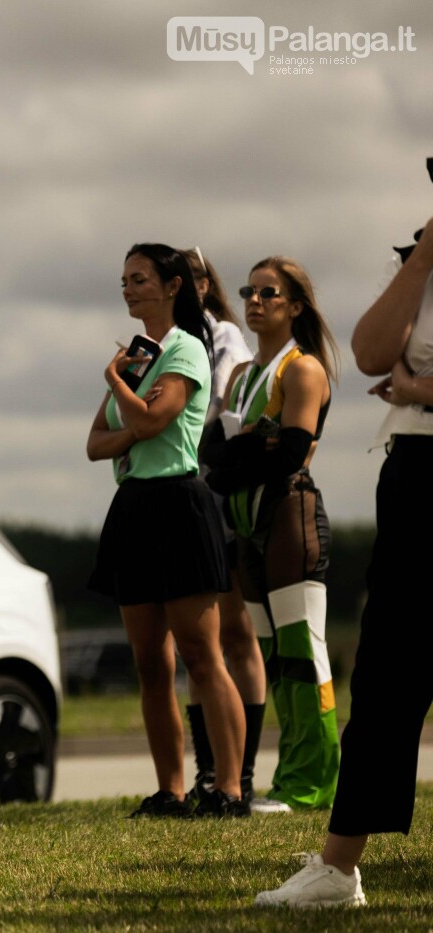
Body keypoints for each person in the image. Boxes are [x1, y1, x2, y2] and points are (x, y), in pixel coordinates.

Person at [255, 214, 433, 908]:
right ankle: (338, 867)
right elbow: (367, 351)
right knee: (388, 667)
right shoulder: (416, 261)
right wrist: (421, 258)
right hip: (418, 468)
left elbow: (397, 371)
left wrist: (417, 390)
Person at [85, 243, 249, 819]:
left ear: (172, 285)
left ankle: (229, 788)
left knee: (202, 655)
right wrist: (134, 414)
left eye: (140, 278)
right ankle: (170, 790)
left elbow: (156, 418)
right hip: (133, 507)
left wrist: (117, 385)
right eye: (124, 279)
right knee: (150, 662)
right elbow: (95, 442)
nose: (128, 288)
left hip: (180, 503)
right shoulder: (138, 354)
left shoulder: (185, 348)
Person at [204, 257, 340, 815]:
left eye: (270, 293)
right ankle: (289, 778)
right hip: (246, 530)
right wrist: (248, 446)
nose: (255, 301)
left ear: (295, 305)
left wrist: (246, 450)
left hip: (290, 519)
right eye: (249, 292)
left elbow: (288, 453)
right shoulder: (240, 376)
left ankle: (313, 783)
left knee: (304, 656)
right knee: (275, 659)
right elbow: (211, 455)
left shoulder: (302, 370)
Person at [181, 248, 269, 809]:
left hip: (218, 497)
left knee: (234, 634)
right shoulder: (166, 342)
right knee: (198, 641)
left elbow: (216, 413)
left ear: (205, 282)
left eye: (190, 277)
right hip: (184, 499)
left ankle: (244, 770)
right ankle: (210, 772)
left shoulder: (224, 341)